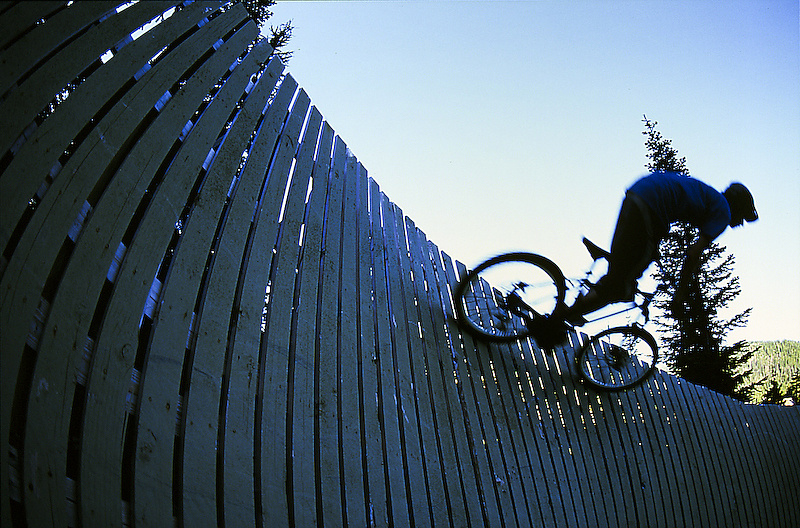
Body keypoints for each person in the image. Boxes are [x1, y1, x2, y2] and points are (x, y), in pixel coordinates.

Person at [557, 171, 758, 327]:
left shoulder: (708, 196)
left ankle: (573, 309)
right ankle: (559, 320)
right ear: (737, 208)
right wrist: (679, 297)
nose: (739, 224)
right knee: (620, 287)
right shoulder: (723, 211)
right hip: (651, 206)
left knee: (625, 269)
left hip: (638, 193)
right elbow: (693, 254)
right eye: (742, 218)